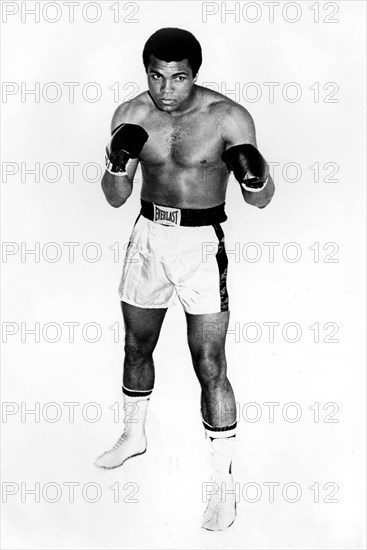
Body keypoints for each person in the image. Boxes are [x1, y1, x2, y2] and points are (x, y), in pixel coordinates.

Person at [94, 27, 275, 531]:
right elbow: (114, 198)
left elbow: (260, 199)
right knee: (135, 345)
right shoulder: (130, 116)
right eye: (156, 77)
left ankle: (222, 485)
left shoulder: (227, 117)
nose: (166, 89)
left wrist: (255, 175)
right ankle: (133, 435)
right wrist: (116, 163)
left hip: (200, 245)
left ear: (195, 74)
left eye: (178, 78)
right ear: (146, 72)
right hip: (148, 236)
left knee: (210, 362)